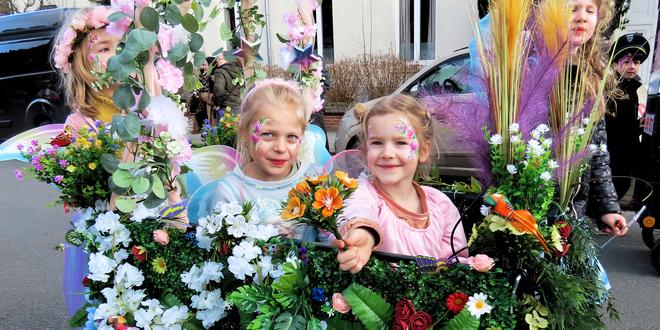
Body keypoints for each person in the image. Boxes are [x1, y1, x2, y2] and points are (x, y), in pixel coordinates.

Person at [332, 94, 468, 273]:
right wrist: (364, 233)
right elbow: (356, 210)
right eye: (377, 142)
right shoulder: (360, 192)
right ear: (365, 150)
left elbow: (455, 260)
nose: (387, 153)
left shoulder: (440, 205)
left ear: (424, 150)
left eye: (401, 142)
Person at [209, 78, 322, 241]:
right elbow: (221, 249)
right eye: (267, 134)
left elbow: (331, 238)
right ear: (243, 133)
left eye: (291, 137)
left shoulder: (315, 180)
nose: (280, 148)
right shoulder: (230, 191)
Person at [567, 0, 628, 237]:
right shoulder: (530, 69)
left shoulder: (593, 76)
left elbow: (598, 151)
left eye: (590, 10)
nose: (582, 17)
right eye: (572, 9)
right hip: (531, 218)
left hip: (574, 219)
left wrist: (607, 208)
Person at [606, 33, 650, 204]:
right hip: (611, 153)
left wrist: (641, 125)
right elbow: (613, 126)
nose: (632, 66)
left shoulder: (637, 88)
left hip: (627, 152)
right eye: (627, 61)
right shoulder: (608, 87)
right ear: (616, 63)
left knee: (623, 187)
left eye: (637, 62)